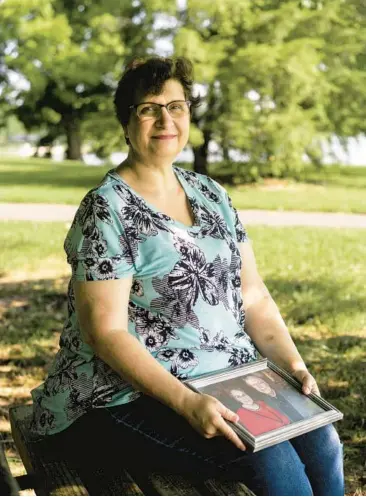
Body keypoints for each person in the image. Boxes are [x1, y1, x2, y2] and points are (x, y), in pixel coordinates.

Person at [30, 56, 344, 496]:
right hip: (124, 394)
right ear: (126, 121)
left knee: (324, 443)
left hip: (225, 378)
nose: (166, 119)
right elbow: (106, 333)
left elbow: (253, 297)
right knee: (279, 470)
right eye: (149, 108)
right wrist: (188, 402)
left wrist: (292, 366)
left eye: (176, 106)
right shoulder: (107, 209)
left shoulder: (210, 193)